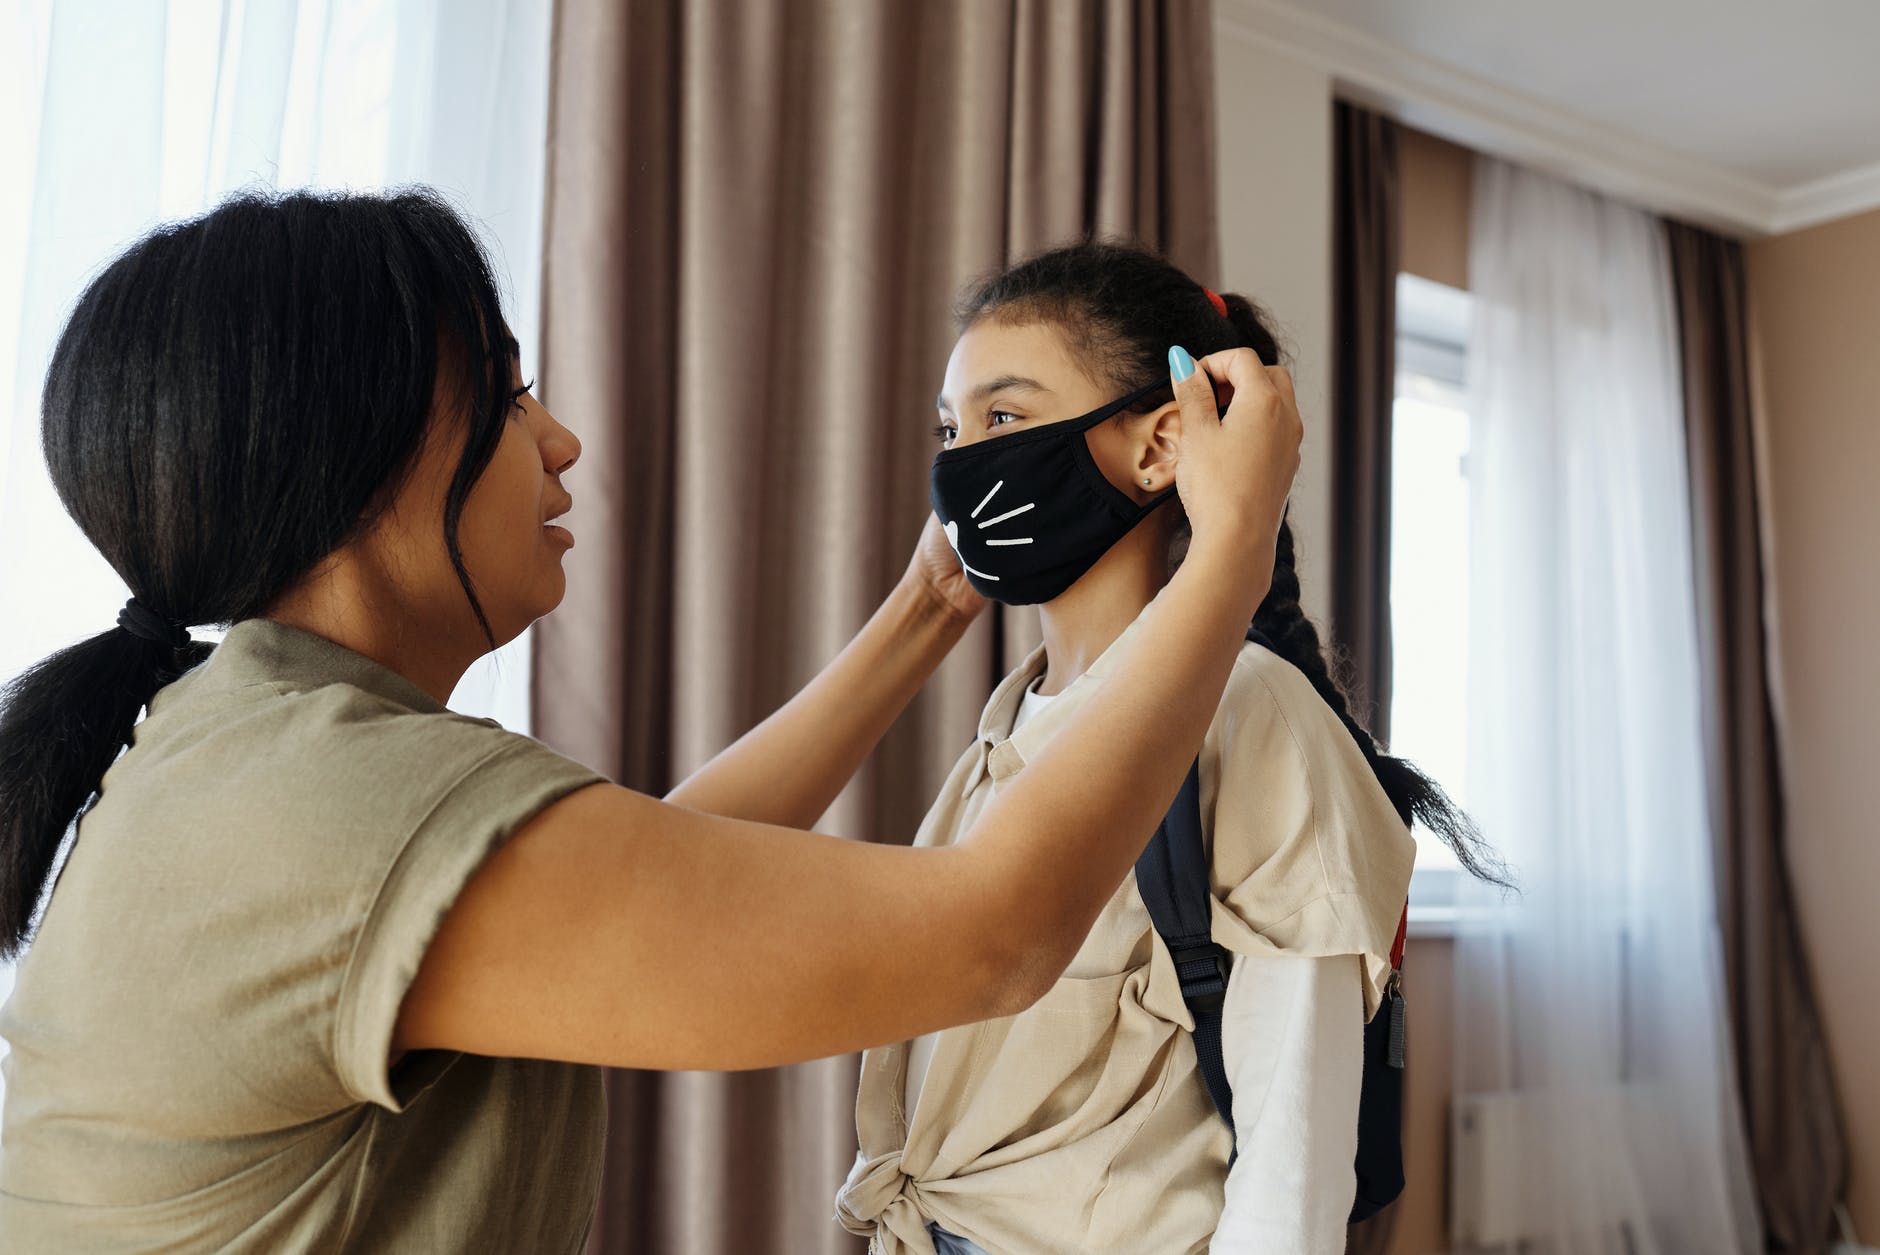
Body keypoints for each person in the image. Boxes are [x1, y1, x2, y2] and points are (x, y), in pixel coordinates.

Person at [0, 191, 1298, 1251]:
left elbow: (665, 864)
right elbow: (995, 933)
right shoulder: (322, 809)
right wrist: (1231, 547)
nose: (560, 441)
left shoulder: (252, 751)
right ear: (358, 448)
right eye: (507, 399)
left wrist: (921, 607)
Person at [835, 242, 1508, 1255]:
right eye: (949, 426)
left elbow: (1289, 1169)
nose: (960, 462)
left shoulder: (1254, 717)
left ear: (1158, 447)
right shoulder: (1006, 726)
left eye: (1003, 418)